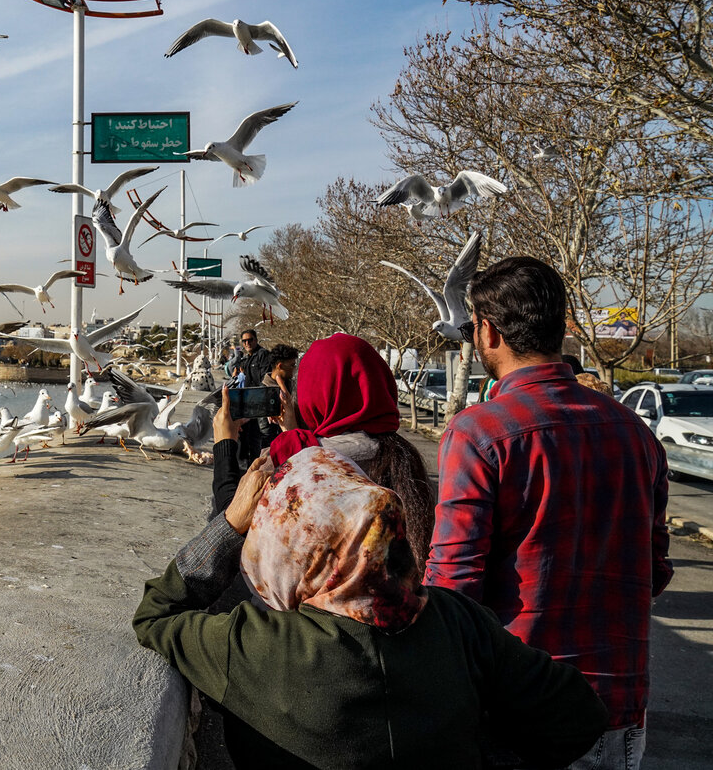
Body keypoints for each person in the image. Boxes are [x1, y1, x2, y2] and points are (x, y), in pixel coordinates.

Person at [135, 444, 607, 768]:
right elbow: (578, 716)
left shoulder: (255, 646)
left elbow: (158, 612)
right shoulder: (456, 622)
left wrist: (232, 523)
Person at [424, 256, 673, 768]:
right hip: (619, 708)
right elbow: (656, 569)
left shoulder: (479, 433)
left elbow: (453, 587)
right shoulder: (636, 434)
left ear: (487, 332)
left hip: (525, 708)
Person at [251, 333, 434, 572]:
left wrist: (226, 441)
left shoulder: (283, 458)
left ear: (311, 393)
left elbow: (237, 528)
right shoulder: (407, 460)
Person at [225, 329, 273, 463]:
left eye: (250, 340)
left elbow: (266, 378)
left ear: (256, 340)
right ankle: (251, 466)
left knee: (264, 438)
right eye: (244, 341)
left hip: (261, 403)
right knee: (250, 438)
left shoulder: (263, 355)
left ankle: (266, 467)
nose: (247, 343)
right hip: (248, 404)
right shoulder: (246, 358)